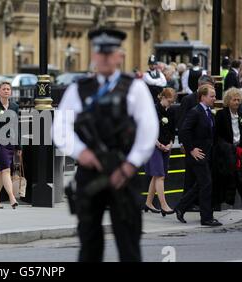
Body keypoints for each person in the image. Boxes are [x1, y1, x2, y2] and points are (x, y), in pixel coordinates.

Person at [52, 28, 159, 262]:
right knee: (89, 243)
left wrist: (130, 165)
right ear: (93, 56)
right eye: (101, 54)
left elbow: (148, 129)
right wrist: (82, 153)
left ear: (120, 56)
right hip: (91, 172)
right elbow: (60, 127)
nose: (105, 58)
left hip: (124, 171)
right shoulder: (78, 88)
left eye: (110, 54)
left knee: (129, 243)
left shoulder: (135, 88)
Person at [174, 84, 222, 226]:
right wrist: (191, 149)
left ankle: (181, 207)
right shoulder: (195, 112)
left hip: (206, 154)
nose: (214, 98)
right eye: (212, 96)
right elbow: (183, 131)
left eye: (214, 96)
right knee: (206, 184)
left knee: (201, 184)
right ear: (202, 97)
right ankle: (206, 218)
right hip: (197, 155)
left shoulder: (208, 112)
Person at [143, 88, 177, 216]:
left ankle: (148, 203)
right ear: (162, 98)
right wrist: (158, 144)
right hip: (153, 144)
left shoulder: (172, 111)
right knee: (160, 175)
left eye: (172, 102)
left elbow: (173, 129)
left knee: (156, 175)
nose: (171, 104)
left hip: (166, 145)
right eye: (169, 101)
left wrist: (170, 143)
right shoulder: (152, 109)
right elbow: (148, 129)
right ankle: (164, 205)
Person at [213, 88, 242, 210]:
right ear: (228, 101)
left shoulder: (241, 114)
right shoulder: (221, 114)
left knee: (241, 180)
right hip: (224, 155)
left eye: (238, 100)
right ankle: (216, 207)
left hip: (236, 153)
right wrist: (228, 148)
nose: (237, 102)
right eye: (234, 100)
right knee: (222, 181)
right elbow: (217, 136)